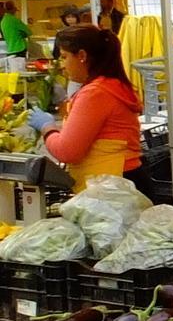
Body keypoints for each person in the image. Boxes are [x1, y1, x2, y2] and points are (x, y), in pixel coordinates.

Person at [28, 26, 148, 195]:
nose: (63, 66)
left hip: (110, 187)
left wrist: (47, 127)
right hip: (124, 180)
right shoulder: (114, 85)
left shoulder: (96, 93)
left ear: (82, 56)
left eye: (65, 57)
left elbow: (67, 151)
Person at [1, 2, 29, 74]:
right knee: (22, 71)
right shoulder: (14, 20)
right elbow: (28, 32)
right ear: (12, 10)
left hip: (10, 49)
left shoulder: (3, 21)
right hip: (20, 47)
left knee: (13, 71)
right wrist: (22, 34)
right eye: (15, 10)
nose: (15, 12)